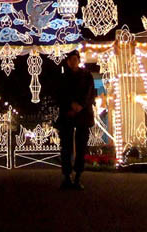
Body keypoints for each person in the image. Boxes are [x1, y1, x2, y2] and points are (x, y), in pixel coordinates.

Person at [55, 50, 96, 190]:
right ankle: (67, 176)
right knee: (66, 147)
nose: (73, 62)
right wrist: (71, 105)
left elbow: (90, 93)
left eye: (75, 59)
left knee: (81, 146)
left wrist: (80, 106)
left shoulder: (87, 76)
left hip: (83, 115)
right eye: (71, 59)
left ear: (78, 60)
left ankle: (78, 176)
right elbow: (60, 94)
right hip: (67, 114)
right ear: (67, 62)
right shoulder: (63, 77)